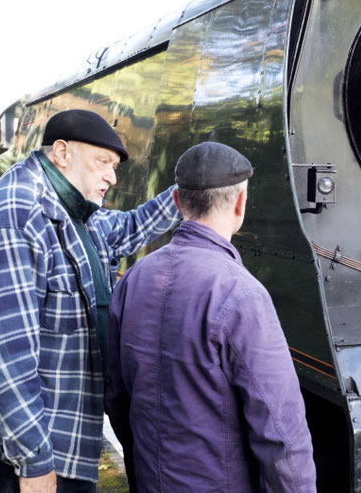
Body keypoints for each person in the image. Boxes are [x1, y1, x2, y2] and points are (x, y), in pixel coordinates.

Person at [0, 109, 180, 493]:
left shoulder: (70, 207)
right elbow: (5, 356)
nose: (112, 177)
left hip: (61, 423)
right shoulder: (16, 217)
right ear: (62, 153)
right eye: (103, 162)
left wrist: (181, 196)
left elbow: (125, 230)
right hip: (32, 439)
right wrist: (33, 463)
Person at [106, 141, 316, 492]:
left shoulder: (134, 279)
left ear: (176, 202)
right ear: (240, 202)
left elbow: (117, 397)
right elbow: (280, 433)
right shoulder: (242, 294)